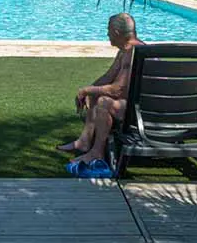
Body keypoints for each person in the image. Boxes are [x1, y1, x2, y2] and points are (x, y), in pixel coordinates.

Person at [57, 13, 145, 165]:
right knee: (95, 94)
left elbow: (116, 90)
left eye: (108, 30)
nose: (107, 34)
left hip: (141, 111)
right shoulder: (127, 50)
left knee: (104, 101)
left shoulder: (134, 53)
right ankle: (84, 141)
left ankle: (97, 152)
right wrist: (89, 90)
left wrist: (86, 90)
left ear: (117, 33)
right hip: (141, 105)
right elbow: (108, 77)